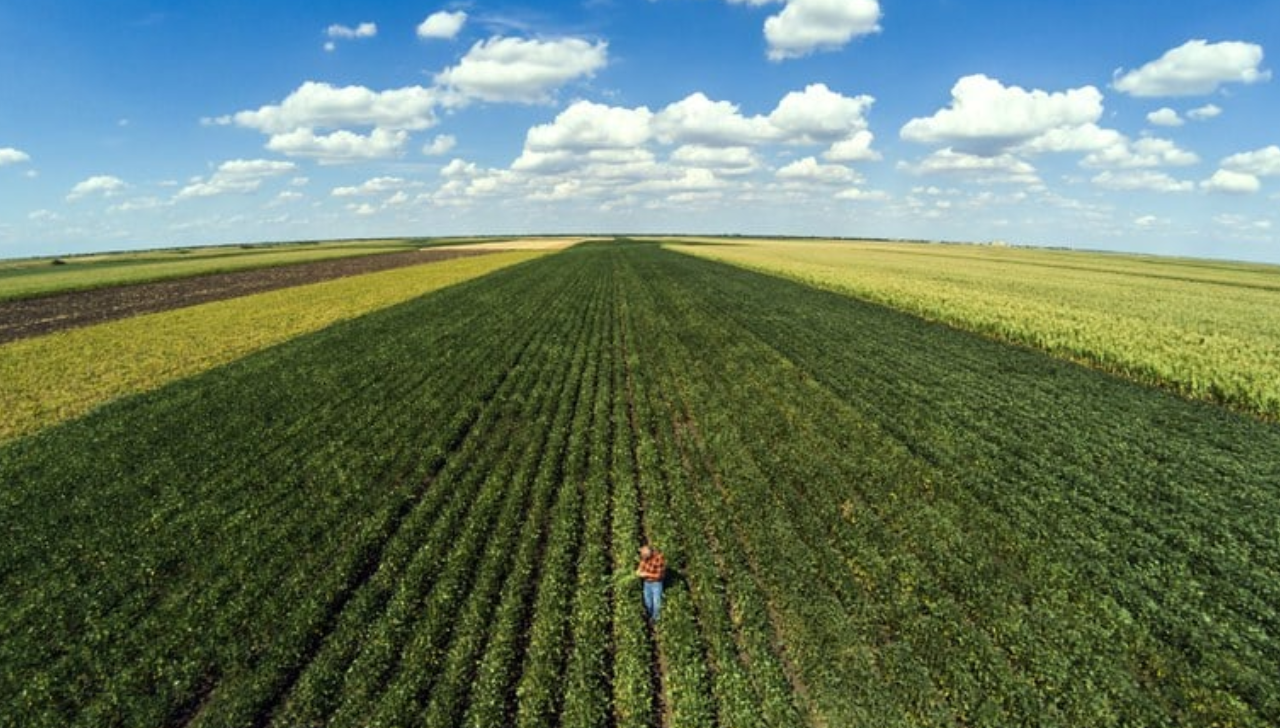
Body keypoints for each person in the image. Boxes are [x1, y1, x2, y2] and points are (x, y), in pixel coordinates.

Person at [635, 544, 666, 621]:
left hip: (656, 583)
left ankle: (655, 619)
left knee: (657, 603)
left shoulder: (659, 558)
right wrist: (639, 570)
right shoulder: (644, 556)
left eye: (644, 557)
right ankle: (649, 616)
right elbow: (641, 564)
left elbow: (659, 576)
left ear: (650, 554)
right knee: (647, 602)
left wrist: (646, 574)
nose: (643, 558)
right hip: (647, 583)